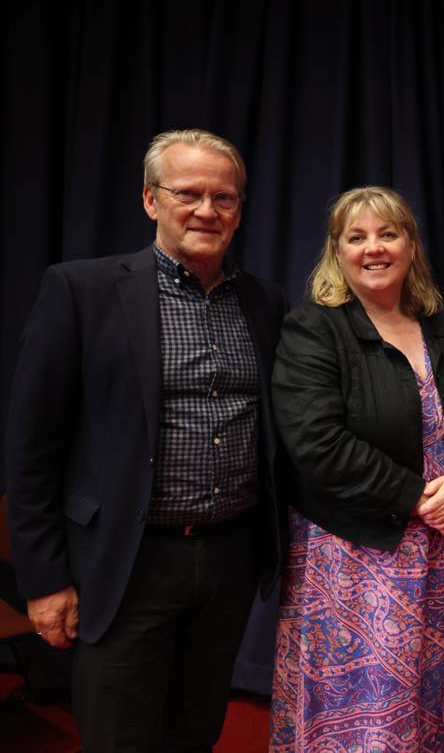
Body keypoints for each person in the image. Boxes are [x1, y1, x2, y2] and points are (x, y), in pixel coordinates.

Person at [4, 128, 287, 751]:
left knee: (196, 731)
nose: (207, 210)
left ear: (240, 210)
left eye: (225, 198)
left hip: (228, 559)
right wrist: (44, 579)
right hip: (124, 563)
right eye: (188, 193)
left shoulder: (264, 302)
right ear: (150, 200)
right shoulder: (80, 291)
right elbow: (32, 450)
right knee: (119, 738)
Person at [268, 186, 444, 751]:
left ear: (411, 245)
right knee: (364, 713)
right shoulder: (314, 328)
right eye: (356, 237)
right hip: (353, 553)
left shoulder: (443, 324)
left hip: (442, 542)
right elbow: (316, 444)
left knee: (430, 695)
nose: (374, 248)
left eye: (388, 234)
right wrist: (420, 498)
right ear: (336, 251)